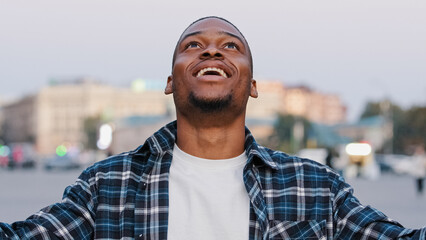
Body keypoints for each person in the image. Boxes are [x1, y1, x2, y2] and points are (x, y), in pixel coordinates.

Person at [1, 16, 425, 240]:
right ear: (171, 81)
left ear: (252, 85)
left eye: (230, 47)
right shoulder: (106, 186)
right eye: (193, 46)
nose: (211, 50)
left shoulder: (317, 189)